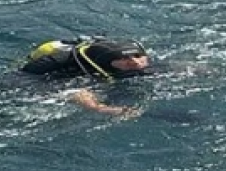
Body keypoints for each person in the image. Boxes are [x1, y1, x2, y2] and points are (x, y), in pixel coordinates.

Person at [18, 35, 152, 116]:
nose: (134, 61)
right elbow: (78, 92)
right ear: (106, 63)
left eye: (138, 56)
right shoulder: (84, 74)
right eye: (124, 58)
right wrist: (100, 108)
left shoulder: (137, 65)